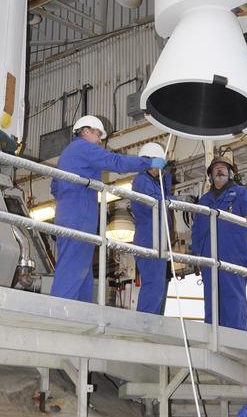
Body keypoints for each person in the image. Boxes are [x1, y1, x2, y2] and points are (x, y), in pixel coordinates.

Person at [50, 116, 165, 302]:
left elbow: (54, 187)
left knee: (82, 271)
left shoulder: (67, 155)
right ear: (85, 131)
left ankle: (79, 316)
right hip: (79, 217)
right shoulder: (83, 148)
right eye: (97, 134)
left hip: (69, 214)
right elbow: (115, 162)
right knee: (73, 270)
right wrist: (148, 162)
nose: (99, 140)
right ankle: (56, 314)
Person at [190, 155, 247, 331]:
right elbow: (197, 231)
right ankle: (212, 334)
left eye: (223, 168)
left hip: (233, 254)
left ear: (230, 173)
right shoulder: (204, 201)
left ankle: (237, 337)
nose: (219, 170)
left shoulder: (241, 193)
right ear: (211, 176)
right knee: (212, 300)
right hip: (209, 258)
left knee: (233, 298)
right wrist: (196, 255)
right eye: (215, 168)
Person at [131, 141, 173, 315]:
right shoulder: (142, 180)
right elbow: (154, 202)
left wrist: (167, 176)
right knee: (153, 284)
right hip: (149, 238)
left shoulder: (155, 183)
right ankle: (146, 322)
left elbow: (162, 196)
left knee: (157, 285)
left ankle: (151, 320)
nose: (158, 168)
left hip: (157, 239)